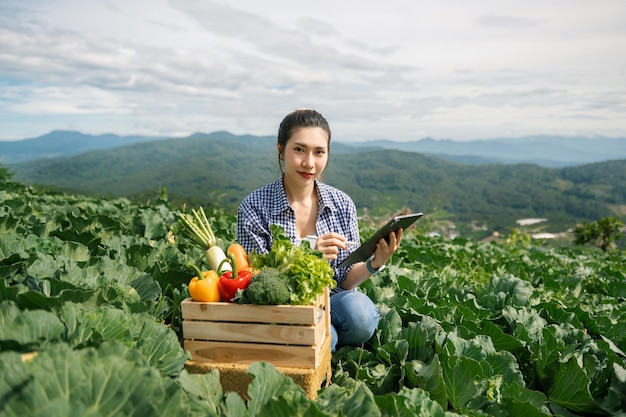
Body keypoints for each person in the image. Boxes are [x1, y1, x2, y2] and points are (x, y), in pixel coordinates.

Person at [236, 108, 403, 352]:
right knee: (322, 337)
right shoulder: (254, 206)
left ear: (328, 154)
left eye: (319, 152)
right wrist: (306, 252)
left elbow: (345, 280)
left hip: (333, 299)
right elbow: (257, 280)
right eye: (299, 150)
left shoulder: (342, 204)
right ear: (280, 149)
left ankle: (324, 335)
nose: (309, 163)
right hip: (283, 307)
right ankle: (326, 338)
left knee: (361, 315)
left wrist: (375, 262)